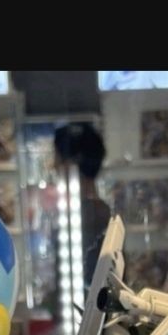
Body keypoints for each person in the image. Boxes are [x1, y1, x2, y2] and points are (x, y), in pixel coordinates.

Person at [53, 123, 111, 289]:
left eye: (58, 159)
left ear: (73, 163)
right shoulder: (96, 212)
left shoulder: (89, 215)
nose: (54, 166)